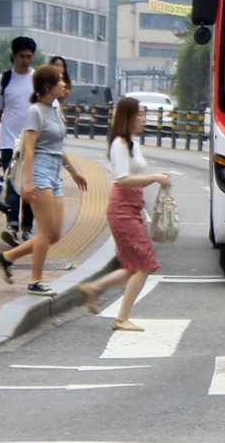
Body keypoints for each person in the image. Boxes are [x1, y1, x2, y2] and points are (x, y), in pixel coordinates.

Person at [0, 65, 89, 296]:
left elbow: (58, 148)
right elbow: (29, 148)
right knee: (46, 231)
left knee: (54, 233)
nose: (65, 84)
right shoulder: (35, 112)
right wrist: (28, 183)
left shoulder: (54, 110)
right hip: (39, 171)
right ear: (48, 87)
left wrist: (74, 171)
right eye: (60, 81)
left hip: (54, 171)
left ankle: (7, 258)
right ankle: (35, 281)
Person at [78, 97, 170, 332]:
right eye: (139, 114)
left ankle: (94, 288)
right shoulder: (120, 143)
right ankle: (121, 318)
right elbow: (122, 179)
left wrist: (155, 177)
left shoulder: (132, 143)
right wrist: (154, 178)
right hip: (122, 211)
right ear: (127, 117)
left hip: (132, 208)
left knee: (132, 266)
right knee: (146, 263)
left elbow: (134, 180)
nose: (143, 118)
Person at [0, 36, 36, 245]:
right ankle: (12, 225)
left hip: (34, 143)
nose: (25, 61)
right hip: (9, 142)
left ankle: (27, 228)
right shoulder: (3, 80)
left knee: (30, 187)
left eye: (29, 57)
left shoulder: (38, 79)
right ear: (13, 56)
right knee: (13, 185)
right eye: (22, 56)